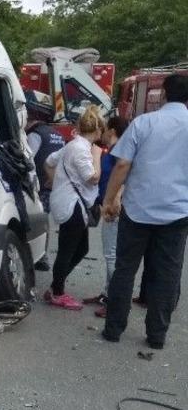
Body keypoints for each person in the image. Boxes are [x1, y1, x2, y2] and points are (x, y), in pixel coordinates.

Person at [101, 74, 188, 348]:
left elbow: (123, 165)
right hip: (177, 213)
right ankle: (157, 336)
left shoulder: (143, 123)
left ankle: (113, 330)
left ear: (163, 94)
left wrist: (109, 199)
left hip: (138, 210)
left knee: (125, 269)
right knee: (167, 275)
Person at [43, 105, 104, 309]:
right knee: (67, 251)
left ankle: (55, 286)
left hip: (68, 203)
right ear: (97, 131)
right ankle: (57, 292)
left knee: (81, 248)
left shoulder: (73, 144)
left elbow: (49, 162)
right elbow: (92, 177)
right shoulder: (82, 149)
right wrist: (97, 156)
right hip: (72, 206)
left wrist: (55, 182)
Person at [88, 115, 130, 317]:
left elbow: (123, 177)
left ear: (112, 131)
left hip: (114, 207)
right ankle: (107, 293)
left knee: (112, 254)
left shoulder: (118, 152)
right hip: (111, 204)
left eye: (105, 129)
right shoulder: (115, 150)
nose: (102, 133)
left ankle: (113, 300)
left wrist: (113, 201)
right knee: (111, 253)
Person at [25, 93, 65, 271]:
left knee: (35, 219)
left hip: (39, 184)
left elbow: (27, 159)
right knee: (44, 219)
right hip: (54, 184)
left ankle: (38, 255)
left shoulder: (35, 135)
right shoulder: (57, 135)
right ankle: (42, 256)